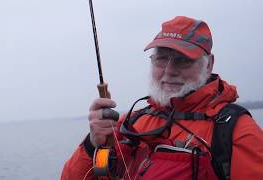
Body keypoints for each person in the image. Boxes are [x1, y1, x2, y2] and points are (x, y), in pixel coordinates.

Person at [61, 16, 263, 180]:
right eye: (161, 58)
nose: (169, 71)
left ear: (208, 64)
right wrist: (92, 144)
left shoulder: (236, 132)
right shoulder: (131, 123)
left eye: (183, 60)